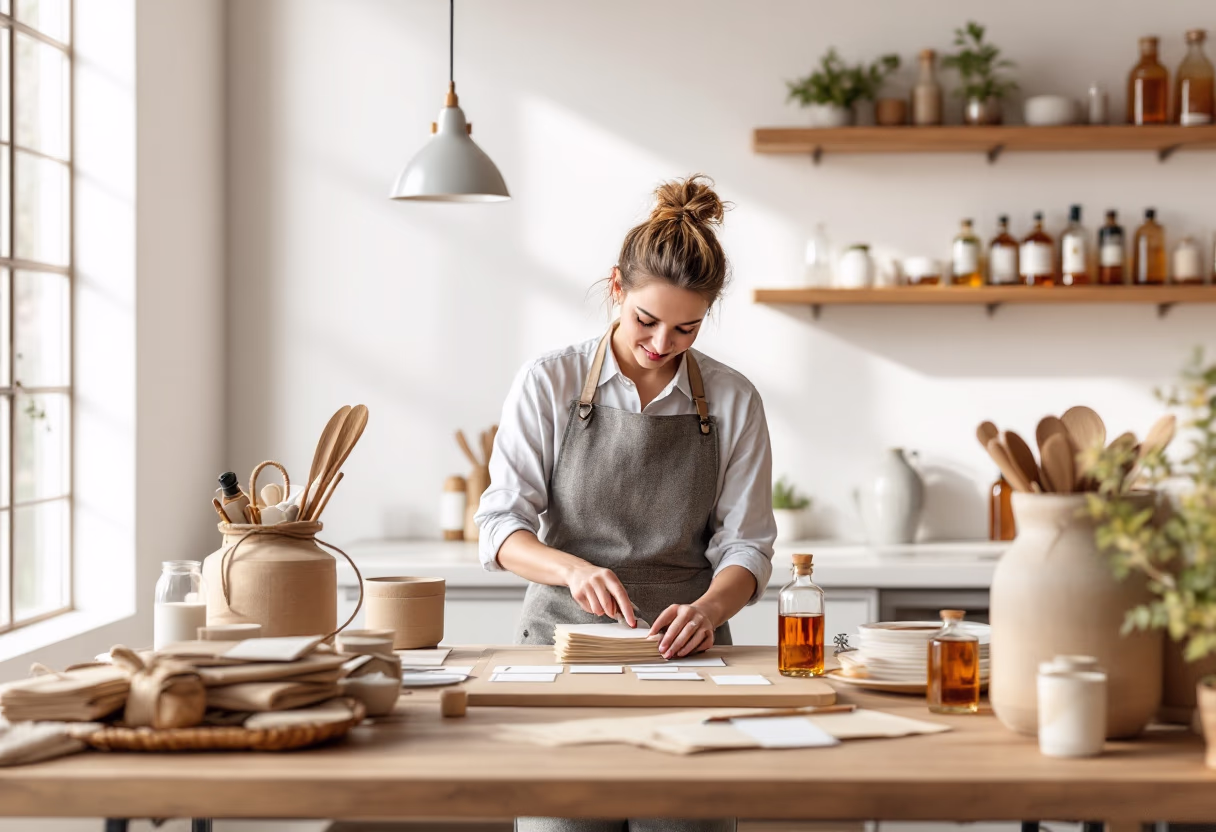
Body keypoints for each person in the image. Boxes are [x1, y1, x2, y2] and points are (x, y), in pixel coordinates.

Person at [475, 174, 775, 832]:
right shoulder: (549, 381)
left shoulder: (731, 399)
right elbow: (500, 527)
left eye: (686, 328)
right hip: (561, 654)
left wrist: (708, 609)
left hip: (687, 663)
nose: (662, 344)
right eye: (646, 319)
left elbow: (747, 546)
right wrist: (573, 570)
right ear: (617, 288)